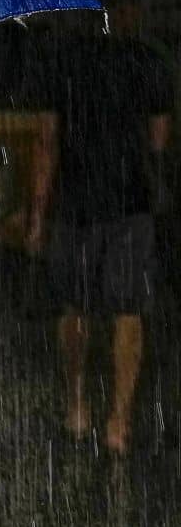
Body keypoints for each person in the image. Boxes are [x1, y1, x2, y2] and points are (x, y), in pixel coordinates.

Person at [40, 23, 173, 456]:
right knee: (128, 308)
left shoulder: (66, 58)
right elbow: (158, 138)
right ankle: (119, 418)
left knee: (76, 305)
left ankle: (77, 404)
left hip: (77, 201)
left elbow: (49, 138)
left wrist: (39, 210)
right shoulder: (148, 59)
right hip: (129, 200)